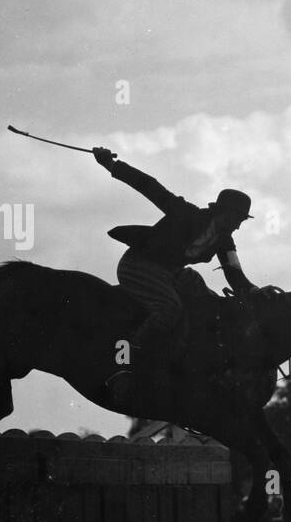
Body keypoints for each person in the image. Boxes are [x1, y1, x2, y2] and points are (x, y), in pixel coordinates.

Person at [93, 146, 260, 405]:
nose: (238, 225)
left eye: (241, 220)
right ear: (222, 213)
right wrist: (111, 165)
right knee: (170, 309)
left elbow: (235, 274)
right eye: (236, 218)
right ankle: (126, 366)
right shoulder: (186, 213)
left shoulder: (224, 240)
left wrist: (253, 292)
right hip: (139, 265)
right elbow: (149, 186)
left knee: (207, 300)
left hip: (169, 273)